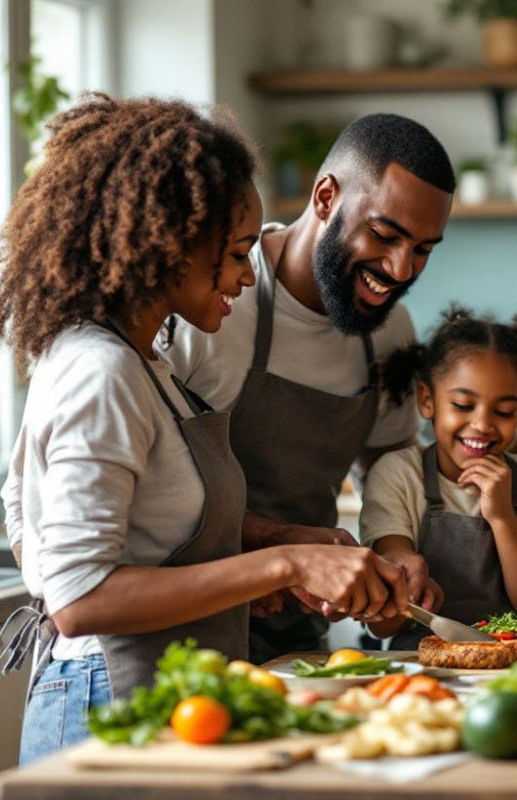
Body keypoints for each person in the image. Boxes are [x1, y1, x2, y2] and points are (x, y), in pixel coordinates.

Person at [0, 95, 406, 764]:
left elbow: (137, 525)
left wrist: (282, 541)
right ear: (171, 241)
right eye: (238, 252)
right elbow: (78, 598)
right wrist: (286, 562)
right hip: (108, 701)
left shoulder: (143, 365)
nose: (249, 276)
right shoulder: (99, 371)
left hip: (173, 696)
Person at [161, 114, 456, 662]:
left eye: (423, 249)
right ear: (325, 197)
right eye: (385, 235)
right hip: (184, 627)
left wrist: (396, 549)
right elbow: (153, 491)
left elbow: (388, 467)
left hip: (298, 640)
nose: (400, 268)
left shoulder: (391, 330)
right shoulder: (217, 301)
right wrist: (273, 541)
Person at [358, 304, 517, 648]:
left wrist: (503, 517)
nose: (482, 424)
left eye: (503, 411)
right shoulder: (397, 474)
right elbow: (383, 626)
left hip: (511, 670)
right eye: (463, 405)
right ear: (426, 401)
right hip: (415, 671)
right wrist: (403, 571)